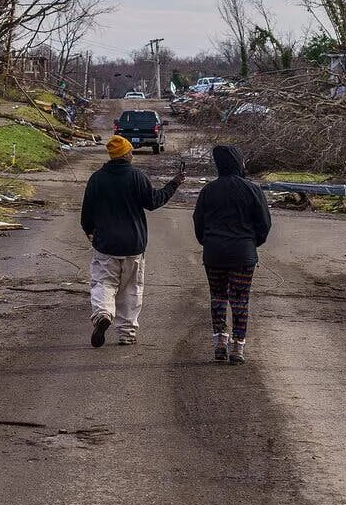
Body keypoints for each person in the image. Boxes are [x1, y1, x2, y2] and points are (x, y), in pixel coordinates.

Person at [80, 135, 183, 347]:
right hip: (133, 244)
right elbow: (154, 202)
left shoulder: (97, 179)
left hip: (106, 244)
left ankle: (103, 313)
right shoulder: (136, 177)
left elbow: (86, 214)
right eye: (131, 151)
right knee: (131, 289)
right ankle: (127, 333)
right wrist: (174, 184)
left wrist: (90, 232)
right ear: (126, 154)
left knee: (103, 283)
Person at [192, 143, 271, 364]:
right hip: (243, 253)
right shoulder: (252, 190)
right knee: (240, 300)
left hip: (214, 253)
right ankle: (238, 347)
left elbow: (198, 221)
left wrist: (206, 242)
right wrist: (253, 243)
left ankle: (219, 342)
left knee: (217, 297)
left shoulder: (209, 190)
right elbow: (264, 223)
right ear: (240, 163)